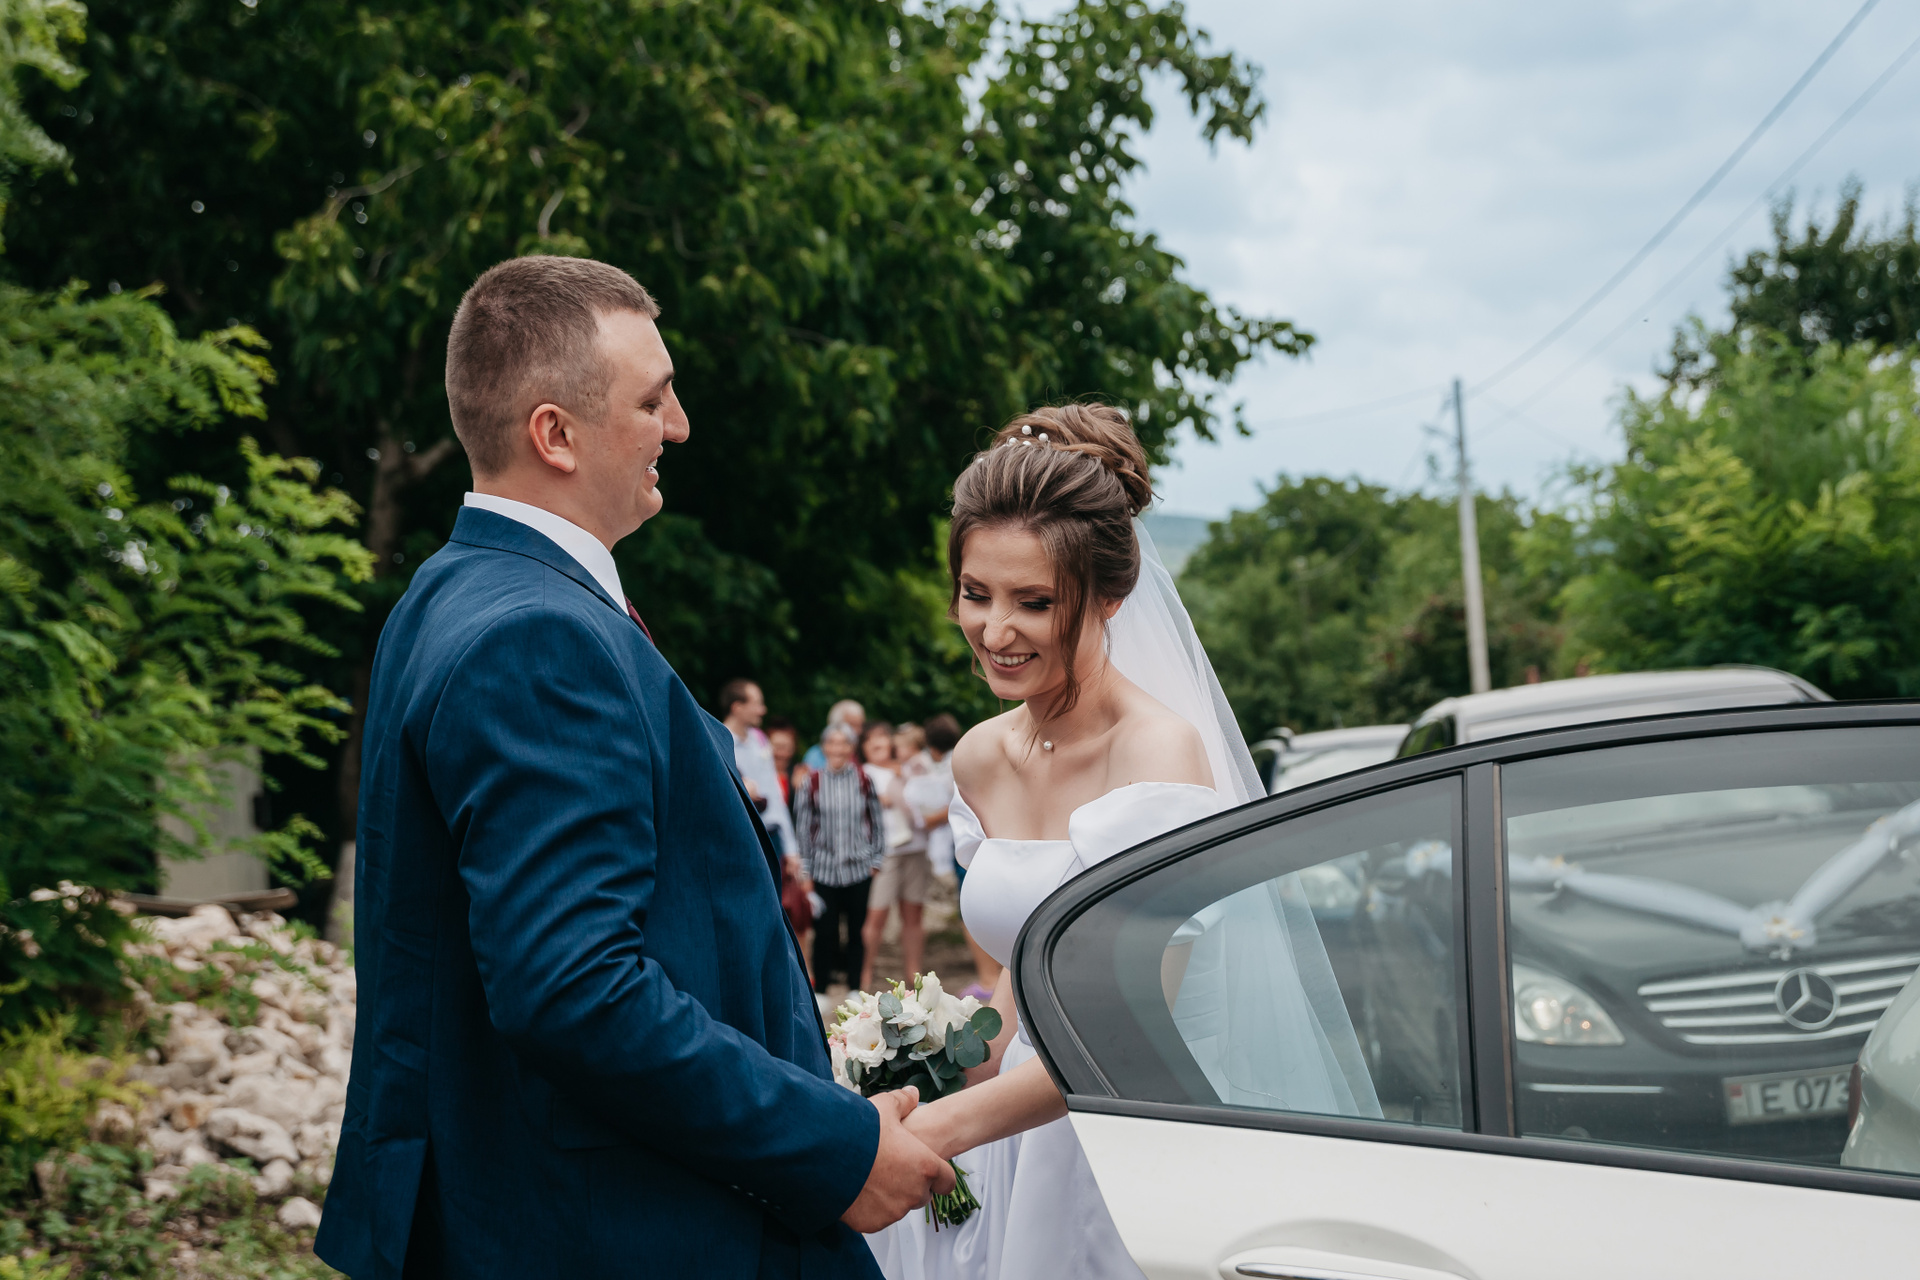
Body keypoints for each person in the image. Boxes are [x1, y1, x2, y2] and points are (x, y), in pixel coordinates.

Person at [316, 255, 950, 1280]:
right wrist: (831, 1148)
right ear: (555, 434)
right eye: (653, 400)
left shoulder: (448, 591)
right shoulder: (537, 636)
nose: (680, 425)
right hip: (607, 1230)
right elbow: (575, 986)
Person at [866, 404, 1374, 1280]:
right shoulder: (980, 757)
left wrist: (938, 1129)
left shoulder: (1159, 758)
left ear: (1110, 599)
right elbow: (1024, 977)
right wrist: (918, 1074)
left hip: (1124, 1136)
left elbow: (1131, 1027)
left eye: (1034, 602)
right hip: (1011, 1126)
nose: (995, 631)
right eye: (976, 593)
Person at [795, 721, 886, 994]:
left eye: (843, 743)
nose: (837, 748)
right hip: (823, 870)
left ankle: (855, 987)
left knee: (857, 931)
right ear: (824, 747)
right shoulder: (811, 782)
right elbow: (803, 829)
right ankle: (822, 989)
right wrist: (805, 871)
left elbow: (876, 821)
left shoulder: (863, 780)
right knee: (825, 932)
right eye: (832, 743)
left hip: (858, 869)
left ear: (851, 747)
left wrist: (876, 860)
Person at [859, 722, 931, 991]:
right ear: (864, 746)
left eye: (882, 737)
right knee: (876, 915)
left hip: (916, 848)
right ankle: (863, 974)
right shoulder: (863, 773)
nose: (878, 743)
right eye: (871, 739)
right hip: (884, 853)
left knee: (914, 914)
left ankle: (914, 975)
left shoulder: (911, 767)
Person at [720, 678, 798, 860]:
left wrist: (791, 848)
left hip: (772, 835)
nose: (762, 710)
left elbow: (774, 792)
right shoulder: (719, 742)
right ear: (737, 707)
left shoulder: (760, 739)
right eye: (756, 704)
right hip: (744, 836)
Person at [803, 699, 867, 771]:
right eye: (852, 725)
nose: (859, 731)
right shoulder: (815, 756)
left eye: (861, 725)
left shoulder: (863, 751)